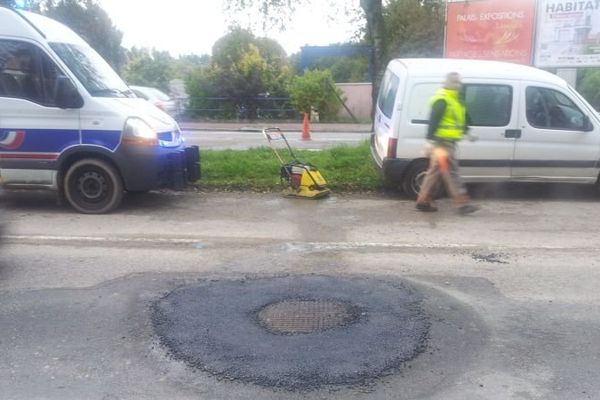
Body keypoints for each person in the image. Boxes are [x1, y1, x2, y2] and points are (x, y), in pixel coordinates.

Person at [415, 72, 479, 215]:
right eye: (455, 82)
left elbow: (463, 118)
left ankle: (423, 201)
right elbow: (433, 121)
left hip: (446, 143)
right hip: (442, 144)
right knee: (451, 172)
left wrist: (467, 130)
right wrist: (431, 141)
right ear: (448, 83)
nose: (458, 85)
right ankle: (462, 204)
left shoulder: (456, 100)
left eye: (458, 82)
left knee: (435, 172)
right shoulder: (443, 100)